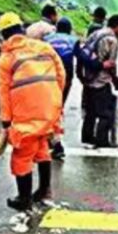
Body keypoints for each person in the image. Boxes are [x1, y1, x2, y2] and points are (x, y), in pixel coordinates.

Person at [0, 13, 65, 211]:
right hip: (50, 106)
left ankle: (24, 198)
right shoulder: (43, 47)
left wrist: (6, 121)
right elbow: (61, 74)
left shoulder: (6, 57)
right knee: (42, 146)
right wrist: (56, 101)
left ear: (4, 35)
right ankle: (44, 190)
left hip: (26, 112)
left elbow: (3, 92)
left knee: (22, 154)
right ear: (21, 29)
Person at [81, 15, 118, 148]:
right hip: (101, 80)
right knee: (105, 113)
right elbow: (110, 63)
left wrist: (82, 76)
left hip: (88, 78)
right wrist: (115, 79)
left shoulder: (95, 34)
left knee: (90, 111)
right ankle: (102, 139)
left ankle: (87, 136)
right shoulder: (112, 39)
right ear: (117, 26)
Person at [45, 17, 79, 159]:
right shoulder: (73, 40)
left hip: (46, 76)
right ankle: (55, 142)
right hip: (65, 77)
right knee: (57, 108)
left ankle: (49, 139)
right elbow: (83, 57)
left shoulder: (46, 39)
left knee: (47, 107)